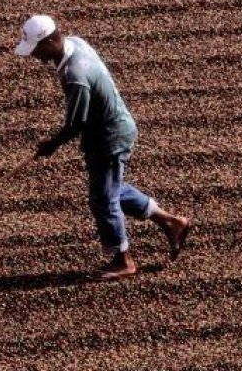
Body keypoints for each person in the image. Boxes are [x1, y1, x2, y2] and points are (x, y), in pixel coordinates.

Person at [14, 14, 191, 279]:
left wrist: (51, 145)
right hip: (110, 129)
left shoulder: (75, 75)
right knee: (112, 189)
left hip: (109, 137)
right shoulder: (75, 43)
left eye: (37, 49)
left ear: (51, 40)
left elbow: (76, 123)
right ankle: (171, 222)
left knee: (103, 200)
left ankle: (123, 260)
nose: (35, 56)